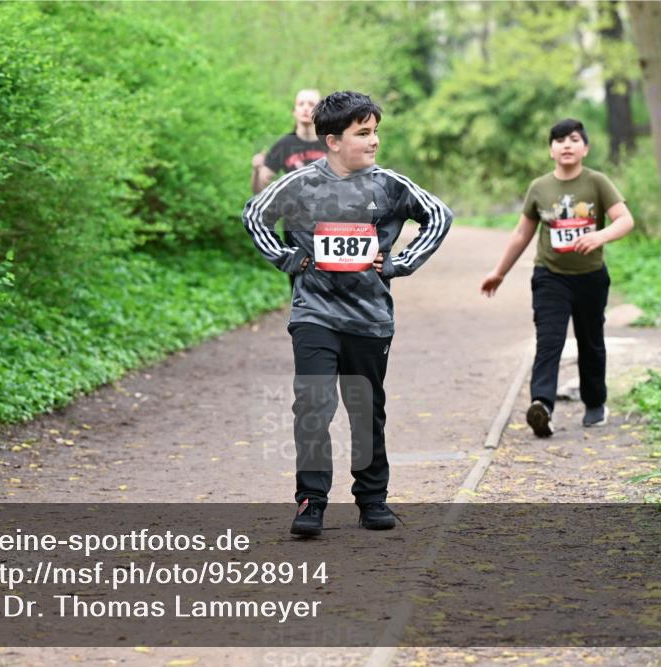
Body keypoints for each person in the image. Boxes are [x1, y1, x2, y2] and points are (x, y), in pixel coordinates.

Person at [242, 91, 453, 537]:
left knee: (366, 407)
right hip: (313, 313)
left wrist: (401, 263)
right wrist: (286, 257)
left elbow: (438, 216)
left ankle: (373, 499)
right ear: (333, 140)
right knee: (313, 406)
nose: (374, 141)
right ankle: (311, 501)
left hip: (369, 317)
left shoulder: (390, 184)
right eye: (363, 133)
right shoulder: (299, 184)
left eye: (375, 131)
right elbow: (254, 214)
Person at [480, 118, 634, 438]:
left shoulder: (597, 182)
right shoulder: (540, 188)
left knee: (590, 342)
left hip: (591, 277)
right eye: (559, 140)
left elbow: (625, 220)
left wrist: (600, 237)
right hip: (550, 276)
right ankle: (542, 405)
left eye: (574, 139)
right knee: (549, 341)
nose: (567, 145)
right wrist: (499, 272)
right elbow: (523, 232)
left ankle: (595, 404)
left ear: (585, 148)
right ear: (551, 150)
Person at [250, 89, 326, 196]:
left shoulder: (332, 144)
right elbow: (258, 191)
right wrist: (256, 171)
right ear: (294, 111)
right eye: (301, 104)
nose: (305, 108)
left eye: (311, 104)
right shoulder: (284, 145)